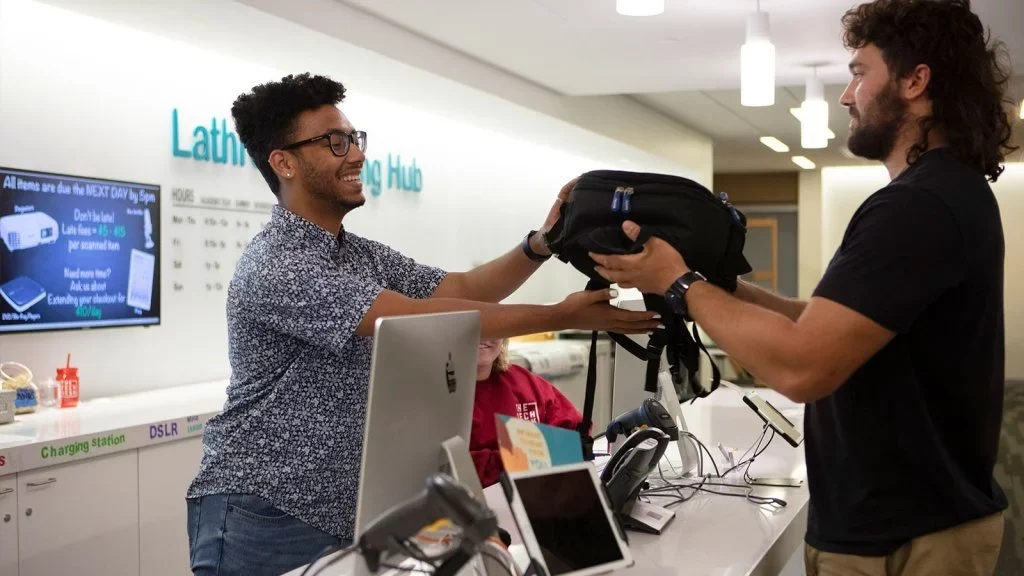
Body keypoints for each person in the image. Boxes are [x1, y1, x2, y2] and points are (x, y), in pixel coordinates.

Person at [587, 1, 1016, 574]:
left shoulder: (918, 205)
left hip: (904, 537)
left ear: (916, 81)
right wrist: (721, 286)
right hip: (906, 523)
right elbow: (819, 323)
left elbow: (802, 368)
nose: (847, 95)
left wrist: (678, 282)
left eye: (860, 72)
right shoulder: (939, 195)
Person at [184, 73, 658, 575]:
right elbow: (421, 318)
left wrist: (542, 245)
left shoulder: (356, 255)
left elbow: (459, 289)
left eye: (354, 139)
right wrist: (561, 315)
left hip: (343, 509)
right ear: (284, 162)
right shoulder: (278, 263)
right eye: (335, 142)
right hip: (265, 511)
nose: (356, 154)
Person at [470, 338, 583, 487]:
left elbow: (576, 438)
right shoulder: (439, 398)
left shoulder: (525, 384)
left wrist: (514, 460)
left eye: (492, 323)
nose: (484, 334)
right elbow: (453, 468)